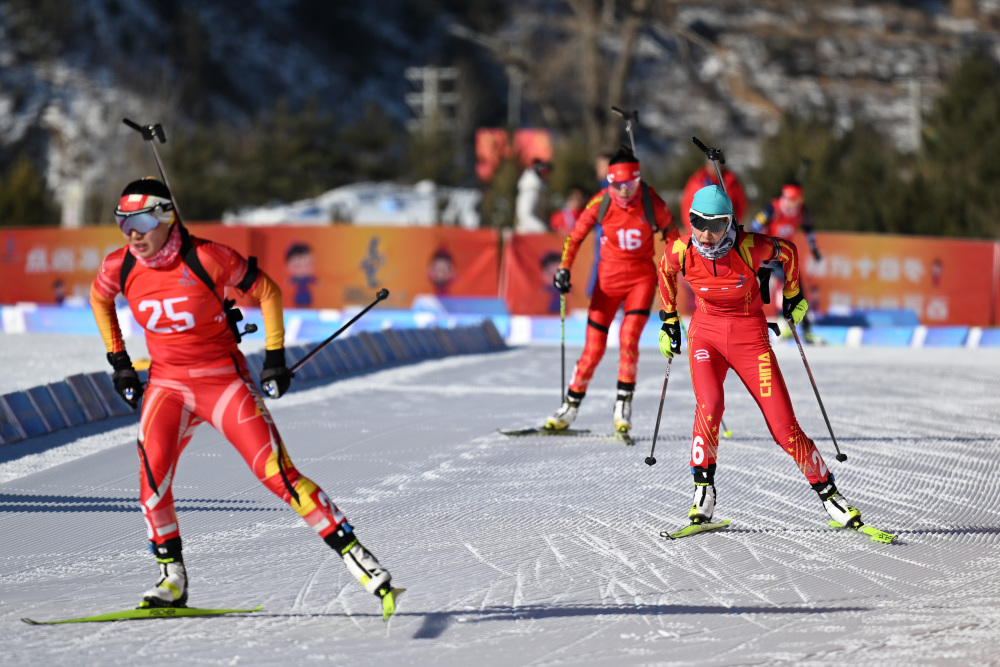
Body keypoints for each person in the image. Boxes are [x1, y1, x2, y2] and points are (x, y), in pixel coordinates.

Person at [89, 178, 400, 618]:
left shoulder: (208, 257)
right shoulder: (119, 266)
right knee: (151, 479)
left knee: (277, 474)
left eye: (140, 221)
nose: (132, 234)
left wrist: (274, 357)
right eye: (123, 223)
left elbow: (268, 291)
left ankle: (357, 557)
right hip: (167, 385)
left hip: (222, 382)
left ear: (165, 216)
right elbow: (99, 300)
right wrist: (119, 362)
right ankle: (171, 579)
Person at [656, 184, 864, 530]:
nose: (705, 235)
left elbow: (791, 252)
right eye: (697, 222)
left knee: (784, 427)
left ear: (729, 222)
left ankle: (830, 495)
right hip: (706, 334)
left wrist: (794, 295)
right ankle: (703, 491)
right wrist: (669, 320)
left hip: (750, 337)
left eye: (716, 225)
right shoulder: (680, 250)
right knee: (710, 404)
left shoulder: (751, 246)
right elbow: (664, 272)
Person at [546, 147, 679, 437]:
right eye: (616, 184)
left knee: (628, 339)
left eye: (629, 185)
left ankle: (623, 406)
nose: (623, 191)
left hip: (641, 281)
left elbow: (673, 235)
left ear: (638, 181)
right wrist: (564, 268)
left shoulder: (651, 202)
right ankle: (570, 406)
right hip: (607, 282)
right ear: (609, 181)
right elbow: (575, 236)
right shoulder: (600, 202)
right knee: (593, 348)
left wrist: (678, 260)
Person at [751, 182, 822, 341]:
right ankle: (789, 322)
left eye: (798, 201)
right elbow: (755, 225)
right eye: (793, 201)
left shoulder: (801, 211)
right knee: (787, 282)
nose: (795, 205)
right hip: (768, 254)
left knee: (795, 286)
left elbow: (809, 229)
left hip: (785, 254)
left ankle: (803, 326)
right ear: (786, 198)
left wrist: (814, 249)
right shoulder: (774, 208)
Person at [680, 159, 748, 224]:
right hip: (699, 226)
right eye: (710, 165)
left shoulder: (732, 181)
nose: (714, 168)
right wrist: (692, 225)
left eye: (717, 165)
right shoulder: (696, 181)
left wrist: (733, 224)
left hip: (725, 226)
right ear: (706, 165)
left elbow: (741, 205)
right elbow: (686, 205)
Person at [514, 159, 552, 233]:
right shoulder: (530, 189)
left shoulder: (538, 188)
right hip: (527, 236)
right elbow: (525, 216)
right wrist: (544, 230)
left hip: (533, 235)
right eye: (546, 172)